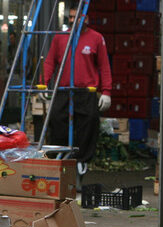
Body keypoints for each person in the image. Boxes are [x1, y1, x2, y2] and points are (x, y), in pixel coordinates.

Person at [42, 7, 112, 173]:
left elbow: (104, 66)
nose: (72, 20)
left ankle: (81, 161)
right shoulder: (60, 37)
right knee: (57, 119)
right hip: (64, 89)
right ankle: (59, 157)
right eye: (71, 17)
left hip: (86, 91)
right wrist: (44, 83)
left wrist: (107, 91)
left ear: (86, 18)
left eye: (77, 17)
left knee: (89, 121)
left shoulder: (96, 38)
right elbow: (50, 62)